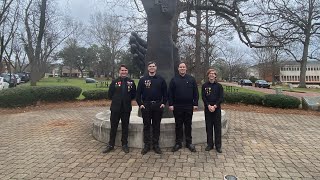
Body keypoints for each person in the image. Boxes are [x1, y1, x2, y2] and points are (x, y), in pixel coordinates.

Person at [102, 64, 136, 154]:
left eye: (125, 70)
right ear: (119, 71)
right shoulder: (114, 82)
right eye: (122, 70)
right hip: (115, 108)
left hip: (126, 108)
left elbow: (133, 95)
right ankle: (111, 145)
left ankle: (124, 144)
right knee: (113, 127)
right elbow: (110, 94)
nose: (123, 72)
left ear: (127, 71)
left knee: (125, 127)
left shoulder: (131, 82)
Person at [136, 61, 167, 155]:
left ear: (156, 68)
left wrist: (163, 103)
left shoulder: (161, 79)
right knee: (146, 126)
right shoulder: (143, 79)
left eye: (153, 66)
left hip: (157, 105)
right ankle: (147, 145)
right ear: (148, 68)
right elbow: (138, 94)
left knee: (156, 126)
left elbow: (165, 93)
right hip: (146, 105)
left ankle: (156, 145)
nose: (152, 67)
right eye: (150, 66)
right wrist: (140, 104)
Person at [168, 62, 199, 152]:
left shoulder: (191, 79)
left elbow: (196, 93)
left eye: (183, 67)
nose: (182, 68)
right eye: (180, 67)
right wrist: (171, 104)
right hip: (177, 106)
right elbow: (170, 93)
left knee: (188, 124)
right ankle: (178, 143)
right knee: (178, 125)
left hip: (188, 106)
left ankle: (189, 143)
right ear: (178, 69)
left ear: (186, 69)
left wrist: (195, 103)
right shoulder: (174, 80)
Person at [201, 69, 224, 153]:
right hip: (208, 109)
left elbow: (221, 98)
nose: (211, 75)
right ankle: (210, 144)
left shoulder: (219, 86)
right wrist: (208, 106)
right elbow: (203, 97)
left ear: (215, 76)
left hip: (216, 109)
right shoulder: (204, 86)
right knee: (209, 127)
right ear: (208, 75)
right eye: (210, 73)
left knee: (217, 128)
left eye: (213, 74)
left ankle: (218, 146)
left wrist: (214, 106)